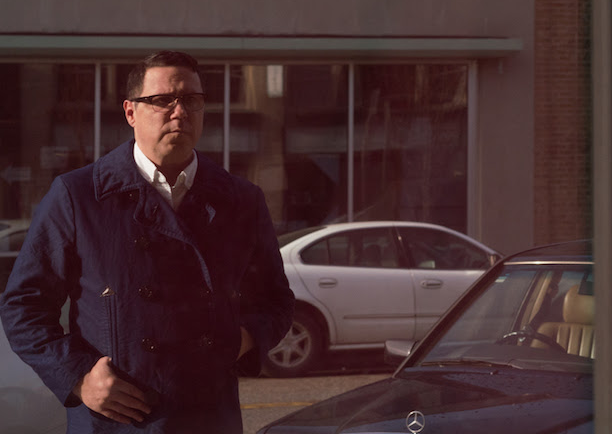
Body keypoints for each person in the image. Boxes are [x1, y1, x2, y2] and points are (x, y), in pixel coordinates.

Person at [0, 51, 295, 433]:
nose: (179, 112)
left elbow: (276, 299)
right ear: (130, 112)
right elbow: (23, 306)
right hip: (117, 420)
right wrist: (78, 376)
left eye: (191, 100)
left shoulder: (240, 199)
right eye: (162, 100)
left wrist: (243, 339)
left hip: (209, 415)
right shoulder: (79, 196)